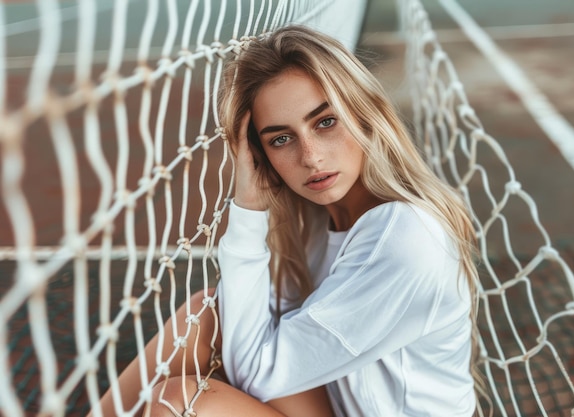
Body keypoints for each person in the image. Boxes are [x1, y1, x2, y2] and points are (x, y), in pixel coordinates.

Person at [90, 24, 480, 417]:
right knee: (208, 311)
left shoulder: (405, 239)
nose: (310, 157)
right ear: (260, 156)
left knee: (177, 404)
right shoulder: (314, 220)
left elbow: (258, 372)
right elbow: (246, 334)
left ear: (364, 115)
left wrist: (247, 211)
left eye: (325, 122)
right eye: (281, 139)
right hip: (341, 405)